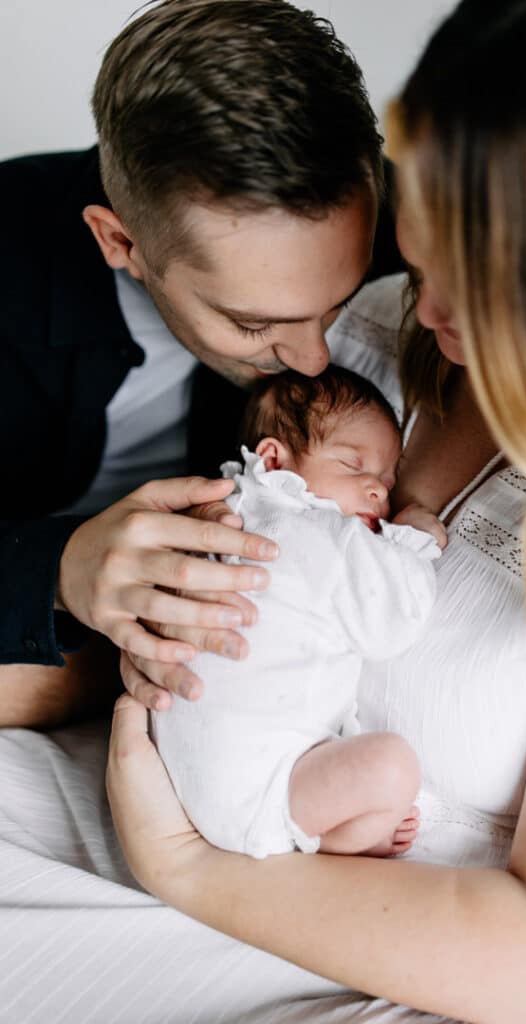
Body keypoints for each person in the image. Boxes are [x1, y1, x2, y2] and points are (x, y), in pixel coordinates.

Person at [104, 1, 526, 1023]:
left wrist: (189, 865)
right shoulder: (368, 347)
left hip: (447, 966)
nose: (418, 308)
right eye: (420, 259)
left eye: (479, 283)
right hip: (209, 813)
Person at [0, 0, 402, 728]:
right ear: (118, 242)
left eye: (337, 303)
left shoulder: (417, 236)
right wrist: (57, 569)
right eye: (252, 322)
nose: (313, 359)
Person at [153, 364, 444, 860]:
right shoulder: (323, 534)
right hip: (266, 790)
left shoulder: (220, 516)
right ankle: (331, 835)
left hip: (176, 773)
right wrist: (415, 540)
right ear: (274, 461)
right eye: (355, 466)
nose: (378, 491)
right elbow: (395, 621)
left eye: (388, 483)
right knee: (394, 768)